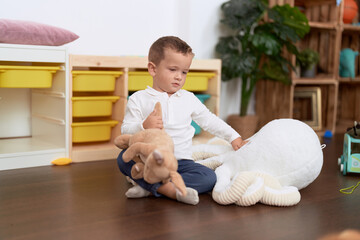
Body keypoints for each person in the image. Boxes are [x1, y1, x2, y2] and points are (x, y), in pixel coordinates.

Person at [117, 36, 247, 205]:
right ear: (153, 69)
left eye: (184, 72)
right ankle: (168, 189)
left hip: (181, 163)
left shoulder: (188, 99)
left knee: (209, 177)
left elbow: (210, 120)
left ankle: (152, 188)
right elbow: (125, 130)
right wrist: (143, 126)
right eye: (172, 70)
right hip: (148, 160)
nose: (179, 77)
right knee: (122, 158)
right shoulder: (138, 99)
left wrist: (233, 136)